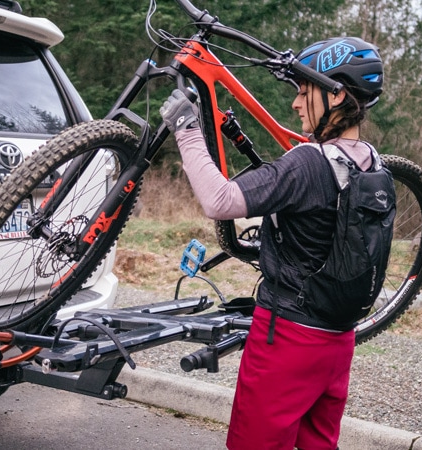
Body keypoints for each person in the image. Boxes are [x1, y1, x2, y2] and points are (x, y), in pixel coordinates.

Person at [159, 37, 385, 450]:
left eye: (304, 92)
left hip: (287, 340)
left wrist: (187, 130)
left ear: (335, 95)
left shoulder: (307, 163)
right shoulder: (372, 162)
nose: (296, 104)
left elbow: (220, 200)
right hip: (337, 343)